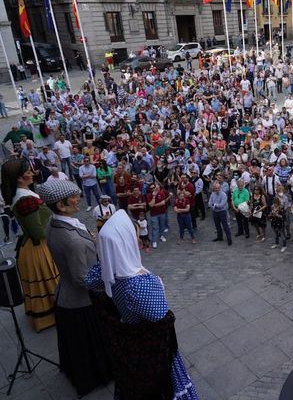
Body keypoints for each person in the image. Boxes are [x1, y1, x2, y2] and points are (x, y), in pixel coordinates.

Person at [85, 210, 198, 399]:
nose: (137, 242)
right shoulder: (138, 285)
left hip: (128, 340)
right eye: (134, 237)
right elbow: (162, 317)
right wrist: (157, 284)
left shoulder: (107, 271)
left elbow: (90, 280)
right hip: (151, 348)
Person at [40, 179, 112, 396]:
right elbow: (82, 279)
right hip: (81, 303)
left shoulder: (54, 224)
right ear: (61, 205)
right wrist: (108, 277)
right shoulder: (72, 241)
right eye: (72, 197)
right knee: (90, 347)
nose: (77, 199)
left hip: (66, 294)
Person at [0, 159, 59, 331]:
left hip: (33, 246)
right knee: (50, 282)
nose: (32, 173)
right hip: (38, 248)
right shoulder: (26, 199)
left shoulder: (23, 195)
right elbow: (37, 232)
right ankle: (52, 316)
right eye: (28, 171)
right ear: (19, 178)